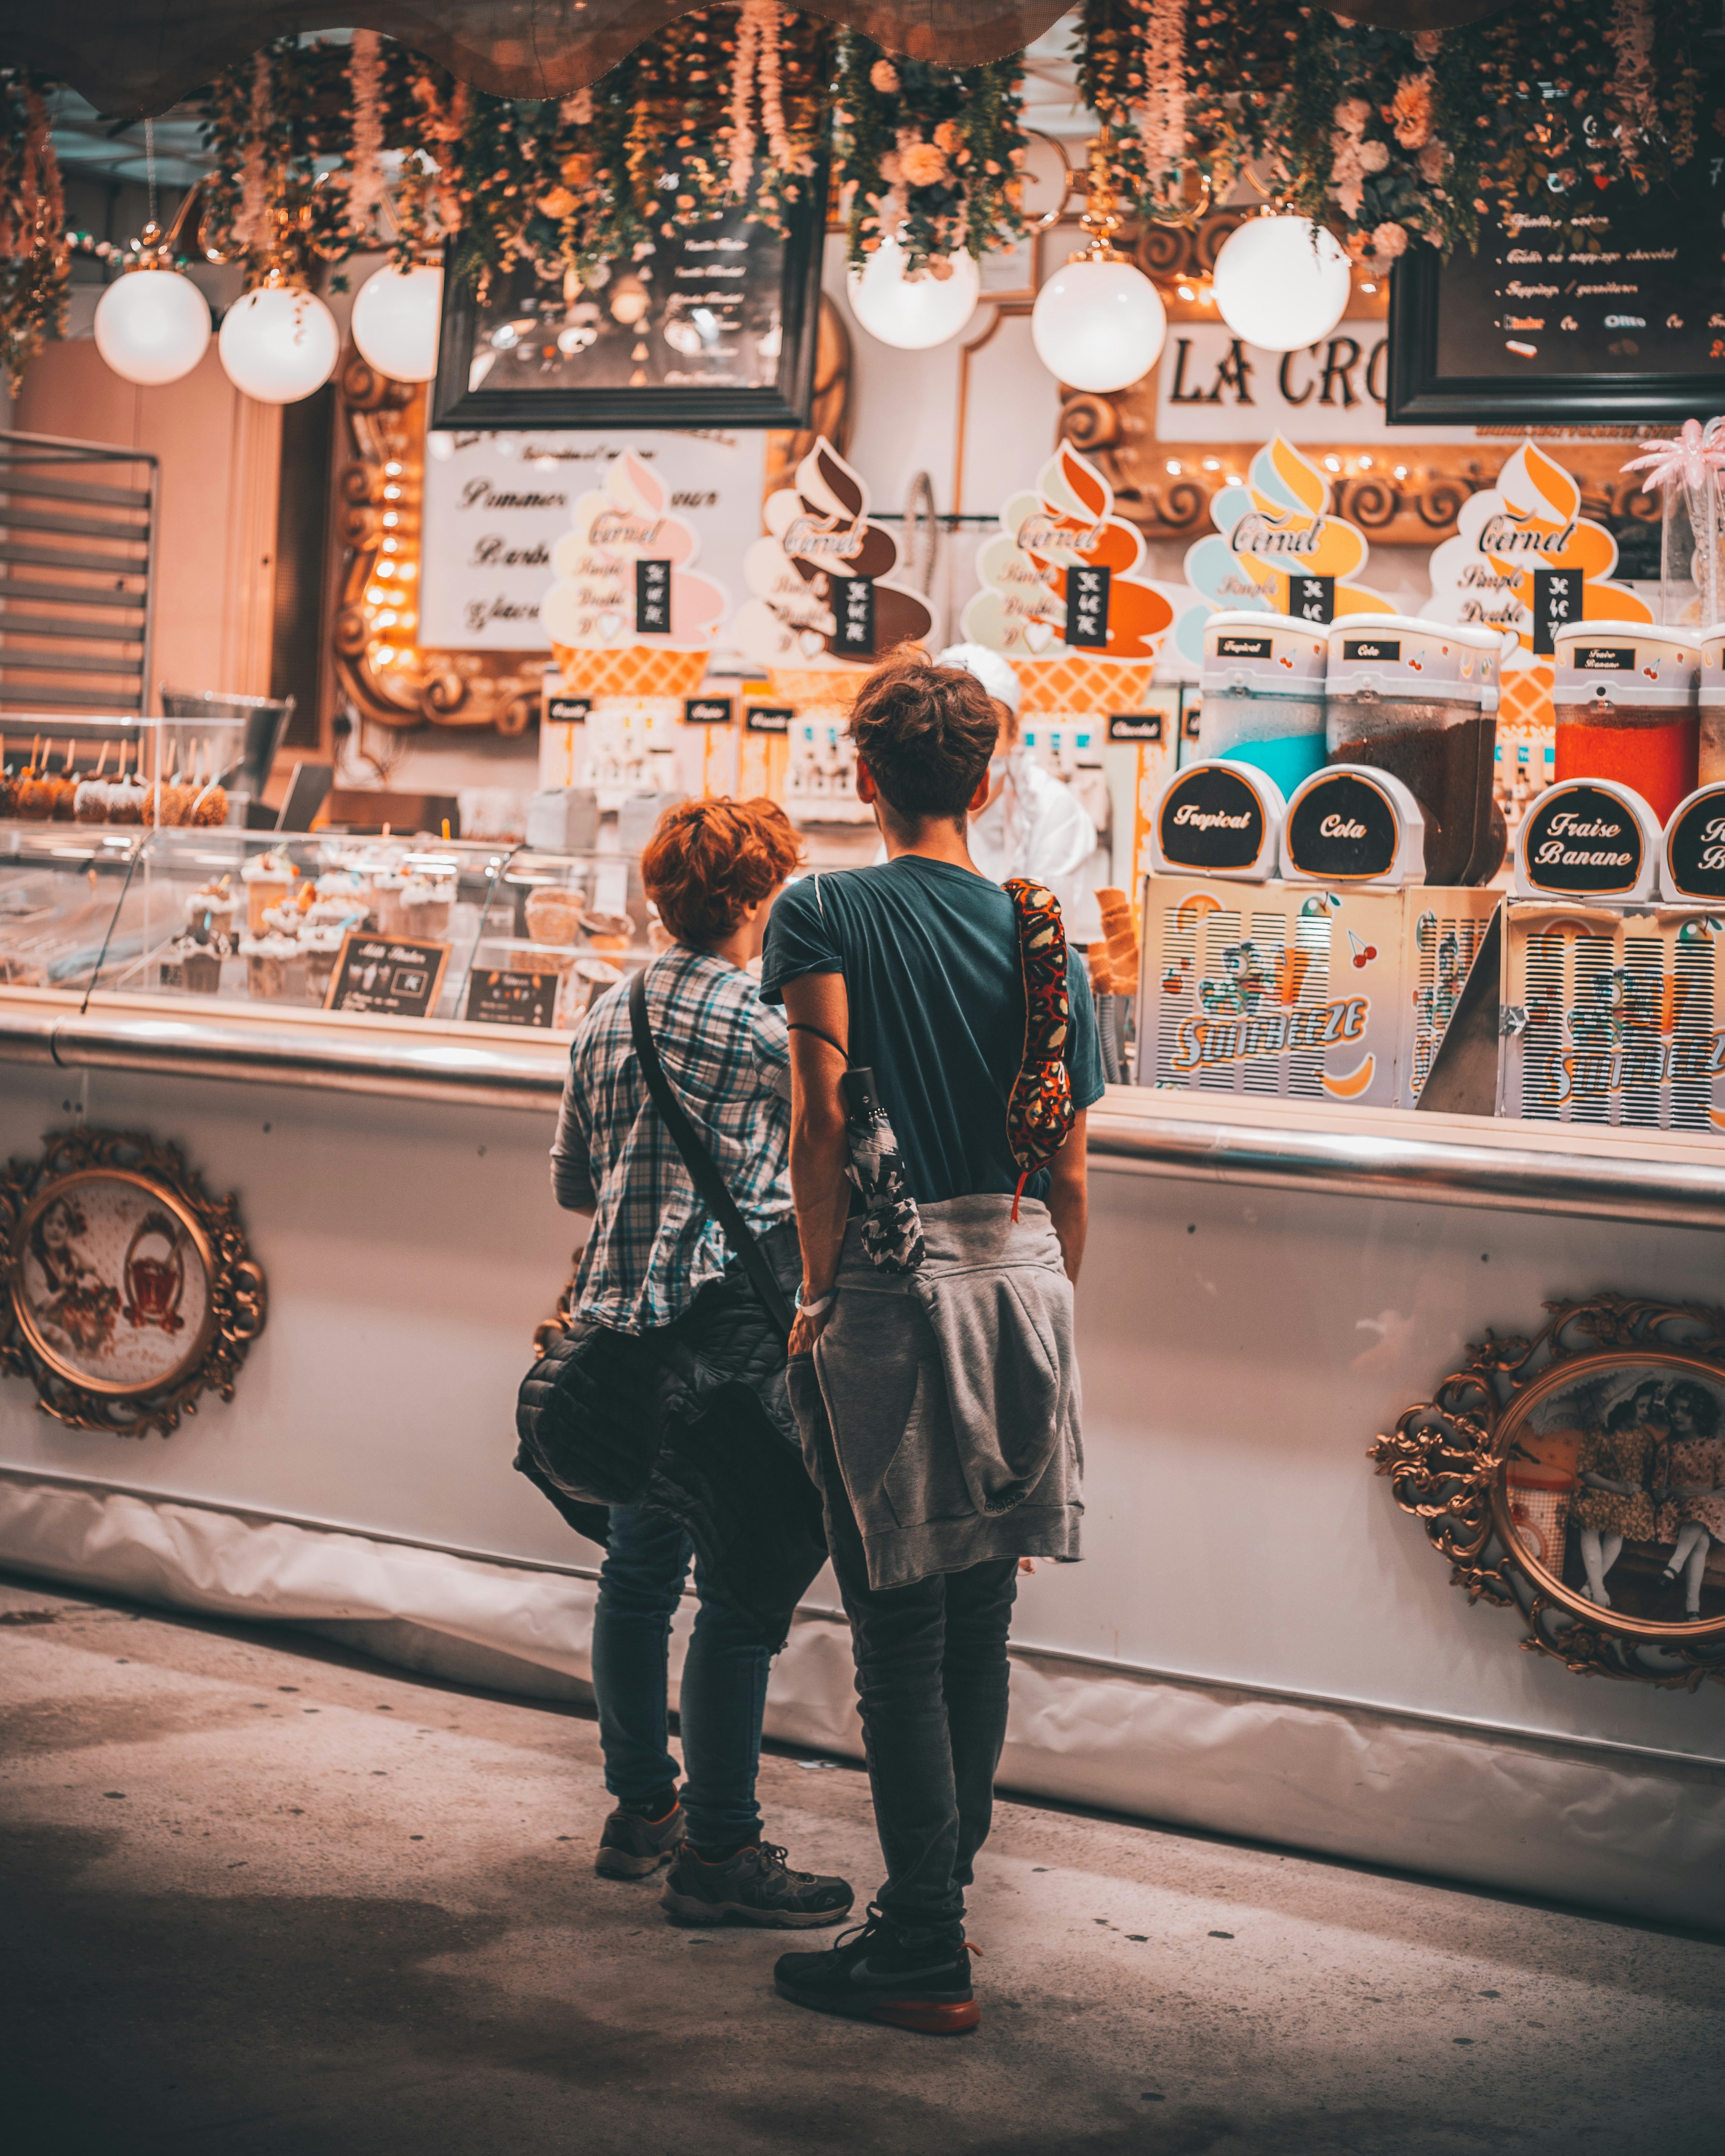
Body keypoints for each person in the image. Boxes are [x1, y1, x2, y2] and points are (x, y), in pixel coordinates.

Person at [760, 656, 1103, 2033]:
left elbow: (819, 1116)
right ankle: (934, 1894)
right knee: (979, 1623)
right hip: (1020, 1289)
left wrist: (814, 1281)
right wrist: (1041, 1303)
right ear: (985, 779)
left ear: (862, 775)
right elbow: (1070, 1169)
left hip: (892, 1296)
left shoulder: (820, 908)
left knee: (895, 1634)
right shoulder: (1047, 941)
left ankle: (918, 1942)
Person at [544, 796, 853, 1930]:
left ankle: (642, 1813)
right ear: (763, 898)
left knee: (634, 1577)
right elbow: (840, 1153)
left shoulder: (604, 1012)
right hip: (730, 1349)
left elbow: (575, 1184)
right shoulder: (771, 1028)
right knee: (739, 1588)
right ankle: (721, 1849)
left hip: (623, 1341)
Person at [937, 640, 1101, 943]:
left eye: (987, 729)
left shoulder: (1054, 810)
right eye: (954, 729)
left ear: (1014, 733)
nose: (971, 744)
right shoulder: (912, 802)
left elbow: (1048, 933)